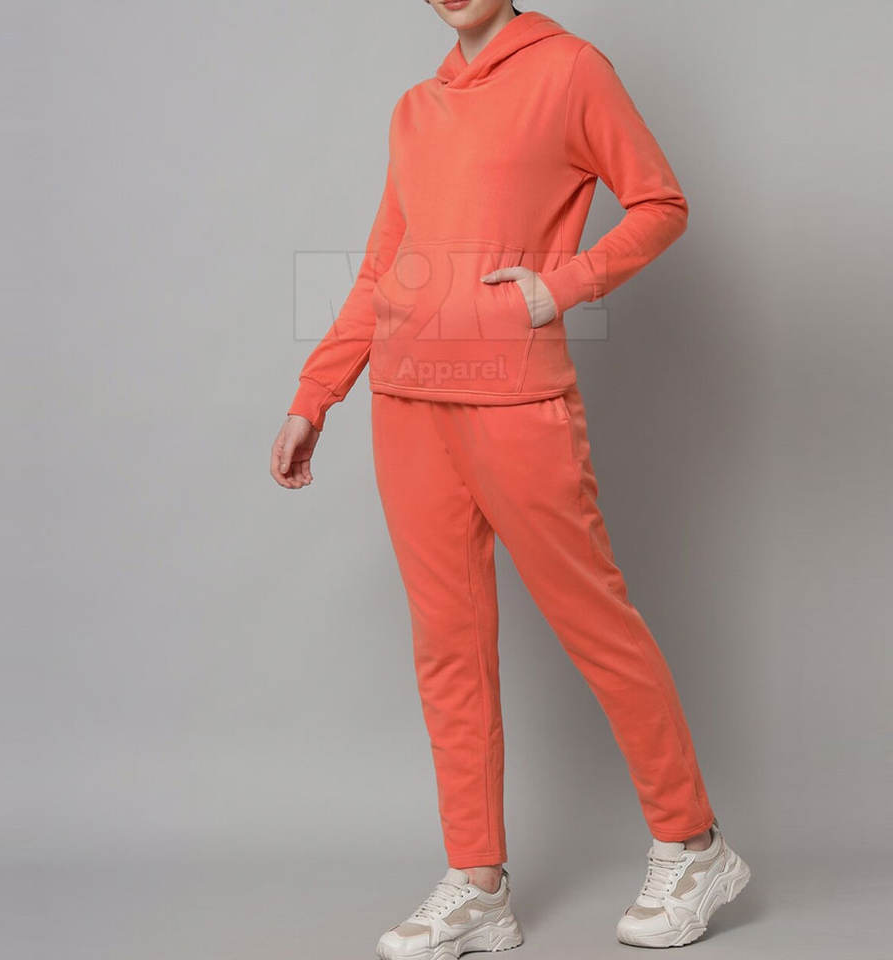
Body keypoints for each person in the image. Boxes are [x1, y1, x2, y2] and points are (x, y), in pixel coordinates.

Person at [271, 3, 750, 955]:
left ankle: (694, 845)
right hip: (406, 406)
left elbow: (660, 204)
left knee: (595, 622)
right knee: (447, 648)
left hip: (515, 401)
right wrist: (316, 392)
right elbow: (383, 268)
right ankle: (477, 884)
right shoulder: (416, 108)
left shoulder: (570, 70)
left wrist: (560, 286)